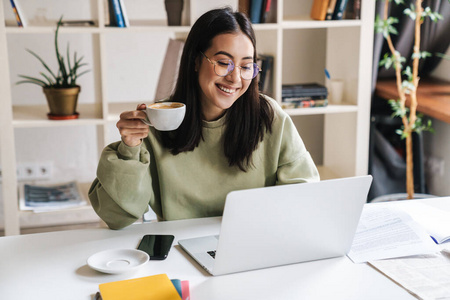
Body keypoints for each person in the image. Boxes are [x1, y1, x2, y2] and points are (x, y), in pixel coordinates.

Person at [89, 7, 319, 230]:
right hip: (178, 249)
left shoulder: (269, 117)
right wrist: (130, 148)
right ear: (195, 61)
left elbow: (303, 195)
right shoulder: (159, 121)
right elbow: (116, 218)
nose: (235, 78)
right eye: (222, 63)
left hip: (252, 242)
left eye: (246, 66)